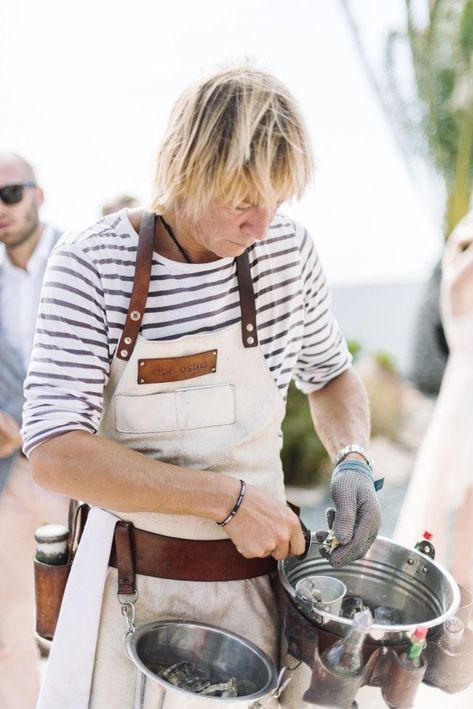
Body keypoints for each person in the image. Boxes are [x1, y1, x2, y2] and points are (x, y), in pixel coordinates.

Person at [23, 65, 383, 708]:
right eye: (244, 200)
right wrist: (227, 502)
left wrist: (353, 458)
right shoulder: (90, 264)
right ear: (185, 171)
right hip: (127, 592)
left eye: (277, 200)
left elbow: (330, 376)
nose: (262, 226)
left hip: (260, 592)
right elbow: (54, 449)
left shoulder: (289, 254)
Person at [0, 152, 69, 709]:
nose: (2, 209)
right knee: (6, 627)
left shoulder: (78, 260)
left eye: (11, 193)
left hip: (79, 470)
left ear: (38, 194)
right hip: (7, 478)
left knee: (93, 612)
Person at [395, 211, 473, 586]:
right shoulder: (461, 262)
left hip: (462, 389)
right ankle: (461, 585)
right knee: (460, 495)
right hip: (465, 394)